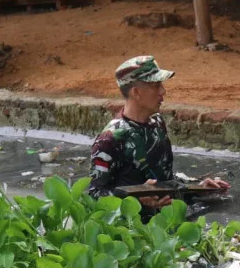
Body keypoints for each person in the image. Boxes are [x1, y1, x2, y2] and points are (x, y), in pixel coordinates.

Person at [88, 56, 229, 215]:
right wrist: (137, 200)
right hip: (135, 226)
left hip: (168, 218)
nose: (163, 91)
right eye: (156, 86)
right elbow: (95, 195)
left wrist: (198, 187)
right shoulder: (110, 139)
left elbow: (164, 180)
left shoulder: (157, 123)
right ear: (136, 92)